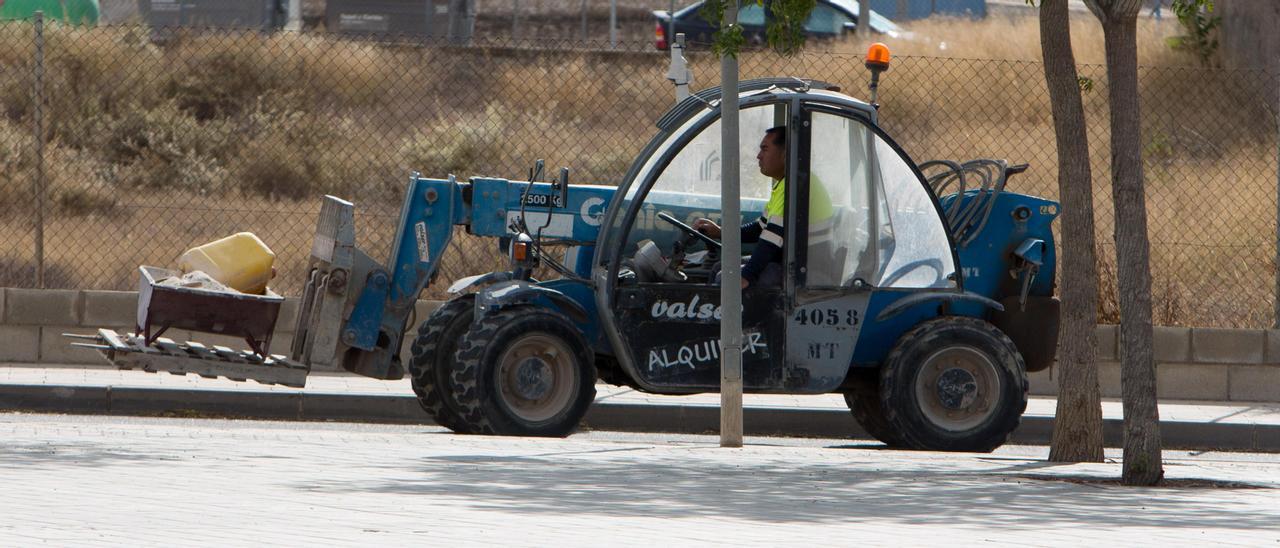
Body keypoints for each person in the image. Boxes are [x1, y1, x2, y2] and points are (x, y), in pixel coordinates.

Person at [692, 126, 832, 289]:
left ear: (786, 153)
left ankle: (727, 314)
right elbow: (760, 228)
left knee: (727, 279)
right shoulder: (786, 183)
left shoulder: (795, 184)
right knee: (719, 267)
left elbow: (772, 238)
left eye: (765, 149)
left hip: (804, 271)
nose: (758, 156)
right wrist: (721, 232)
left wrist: (747, 275)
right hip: (791, 262)